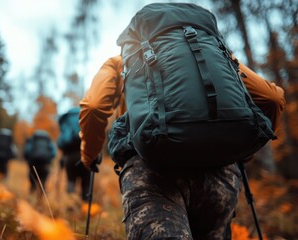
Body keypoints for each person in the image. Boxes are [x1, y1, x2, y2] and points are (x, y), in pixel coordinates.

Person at [79, 52, 285, 239]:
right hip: (220, 174)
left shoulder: (121, 61)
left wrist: (89, 157)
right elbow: (273, 99)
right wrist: (241, 153)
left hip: (151, 171)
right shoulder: (215, 54)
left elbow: (93, 106)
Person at [57, 107, 91, 201]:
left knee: (71, 181)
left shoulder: (66, 122)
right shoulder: (85, 119)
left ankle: (71, 207)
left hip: (69, 157)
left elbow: (60, 143)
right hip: (86, 156)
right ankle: (85, 205)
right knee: (86, 184)